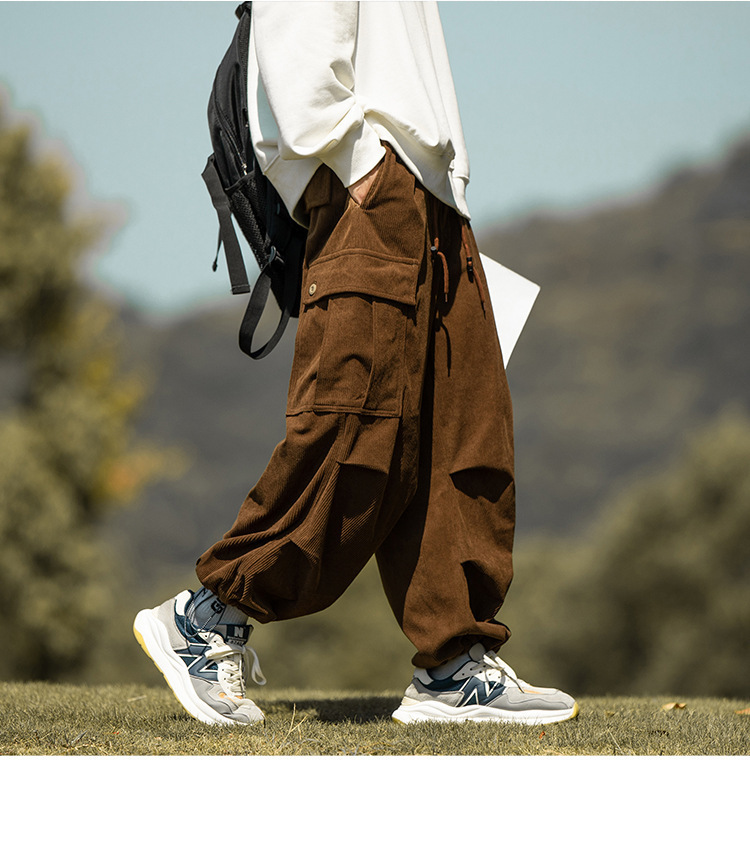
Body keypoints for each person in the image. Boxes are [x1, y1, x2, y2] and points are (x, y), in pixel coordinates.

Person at [133, 1, 578, 727]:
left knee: (464, 433)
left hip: (432, 196)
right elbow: (298, 42)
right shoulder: (365, 169)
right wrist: (359, 163)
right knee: (355, 428)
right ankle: (207, 617)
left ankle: (453, 664)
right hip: (371, 183)